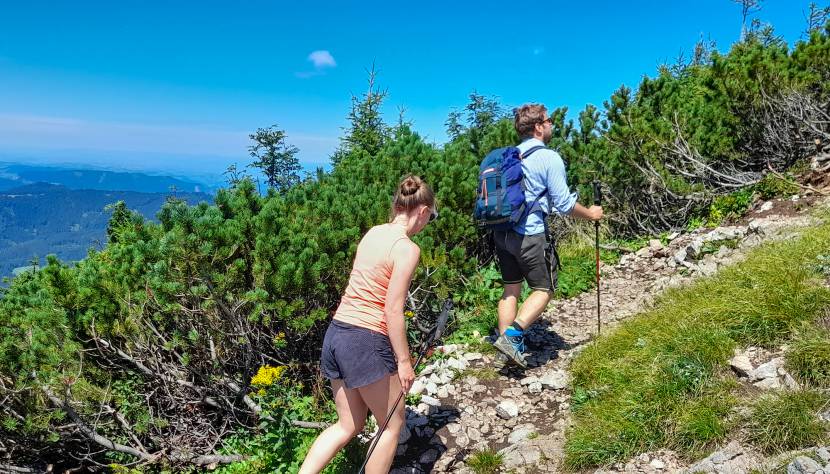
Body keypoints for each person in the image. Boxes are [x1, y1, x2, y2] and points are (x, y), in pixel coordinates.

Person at [299, 175, 437, 474]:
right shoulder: (407, 249)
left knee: (348, 423)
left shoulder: (373, 233)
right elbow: (393, 309)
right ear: (423, 211)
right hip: (365, 341)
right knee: (392, 425)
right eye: (432, 216)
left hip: (337, 334)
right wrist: (404, 361)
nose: (428, 222)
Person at [491, 104, 603, 369]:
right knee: (544, 289)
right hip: (529, 233)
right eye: (549, 120)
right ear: (539, 126)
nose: (552, 124)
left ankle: (505, 348)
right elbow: (564, 204)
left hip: (502, 232)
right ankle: (513, 338)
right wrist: (591, 214)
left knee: (511, 289)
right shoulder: (548, 157)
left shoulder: (509, 156)